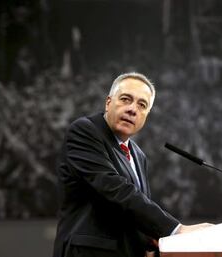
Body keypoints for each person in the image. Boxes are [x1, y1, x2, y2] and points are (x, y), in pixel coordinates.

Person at [53, 72, 211, 257]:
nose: (132, 109)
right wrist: (176, 229)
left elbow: (131, 211)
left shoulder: (138, 154)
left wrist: (153, 241)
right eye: (126, 99)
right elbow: (116, 190)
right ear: (108, 102)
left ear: (146, 115)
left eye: (142, 105)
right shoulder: (85, 131)